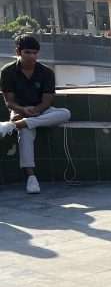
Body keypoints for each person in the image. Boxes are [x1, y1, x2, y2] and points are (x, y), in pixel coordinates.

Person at [0, 34, 71, 194]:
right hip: (19, 111)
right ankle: (31, 177)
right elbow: (9, 102)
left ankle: (14, 126)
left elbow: (47, 101)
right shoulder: (8, 71)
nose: (32, 56)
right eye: (27, 52)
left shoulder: (46, 72)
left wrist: (35, 111)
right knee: (25, 132)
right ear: (18, 52)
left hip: (42, 111)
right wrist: (23, 110)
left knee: (65, 113)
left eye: (34, 53)